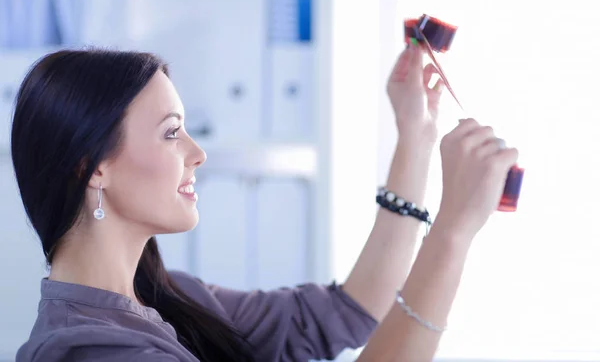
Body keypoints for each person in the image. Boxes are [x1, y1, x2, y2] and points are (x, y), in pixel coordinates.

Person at [11, 42, 516, 362]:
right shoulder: (94, 351)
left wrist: (416, 136)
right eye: (172, 133)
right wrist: (452, 232)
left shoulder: (169, 299)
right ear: (92, 165)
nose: (198, 153)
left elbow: (345, 312)